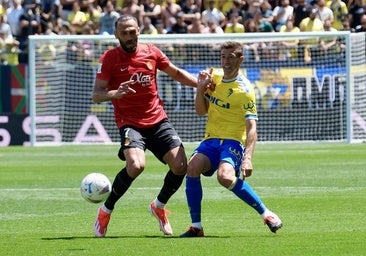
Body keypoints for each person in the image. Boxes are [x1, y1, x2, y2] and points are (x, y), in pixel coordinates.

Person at [92, 14, 197, 238]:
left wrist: (200, 84)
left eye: (132, 31)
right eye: (124, 33)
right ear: (116, 35)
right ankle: (105, 210)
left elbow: (176, 73)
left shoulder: (152, 51)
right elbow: (97, 94)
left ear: (139, 30)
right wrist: (115, 93)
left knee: (180, 165)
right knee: (136, 165)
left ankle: (158, 206)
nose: (129, 36)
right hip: (130, 123)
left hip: (158, 120)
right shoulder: (110, 58)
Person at [180, 41, 283, 237]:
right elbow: (201, 111)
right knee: (192, 167)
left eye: (231, 57)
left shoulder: (244, 90)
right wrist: (200, 89)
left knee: (225, 176)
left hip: (232, 141)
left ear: (240, 59)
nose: (226, 62)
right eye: (223, 57)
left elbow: (252, 127)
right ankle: (196, 226)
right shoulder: (214, 77)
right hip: (211, 139)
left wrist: (248, 158)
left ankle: (266, 213)